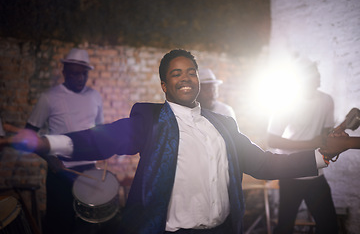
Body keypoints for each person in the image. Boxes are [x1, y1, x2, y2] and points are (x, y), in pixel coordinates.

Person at [5, 49, 347, 234]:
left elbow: (264, 163)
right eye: (176, 73)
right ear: (165, 86)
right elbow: (104, 138)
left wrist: (321, 155)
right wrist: (46, 144)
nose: (186, 77)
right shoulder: (151, 120)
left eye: (191, 72)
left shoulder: (224, 123)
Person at [25, 48, 104, 234]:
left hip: (88, 173)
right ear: (64, 72)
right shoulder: (49, 98)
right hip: (60, 172)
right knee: (59, 225)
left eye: (84, 73)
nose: (80, 78)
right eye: (75, 73)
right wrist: (51, 159)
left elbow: (100, 131)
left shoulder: (95, 96)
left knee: (89, 226)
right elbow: (29, 135)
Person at [266, 58, 338, 234]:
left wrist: (332, 141)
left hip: (315, 171)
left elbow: (325, 136)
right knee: (285, 226)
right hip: (290, 172)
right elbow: (271, 140)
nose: (318, 76)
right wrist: (310, 144)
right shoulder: (285, 102)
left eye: (317, 71)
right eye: (313, 72)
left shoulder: (326, 100)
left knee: (329, 226)